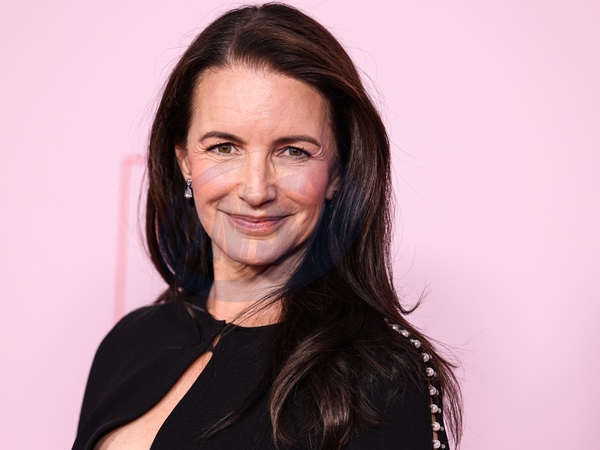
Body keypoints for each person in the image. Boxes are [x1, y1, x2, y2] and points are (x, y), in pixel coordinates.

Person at [73, 3, 462, 449]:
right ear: (184, 160)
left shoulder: (381, 376)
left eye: (293, 151)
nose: (256, 190)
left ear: (336, 173)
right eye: (224, 147)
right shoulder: (128, 343)